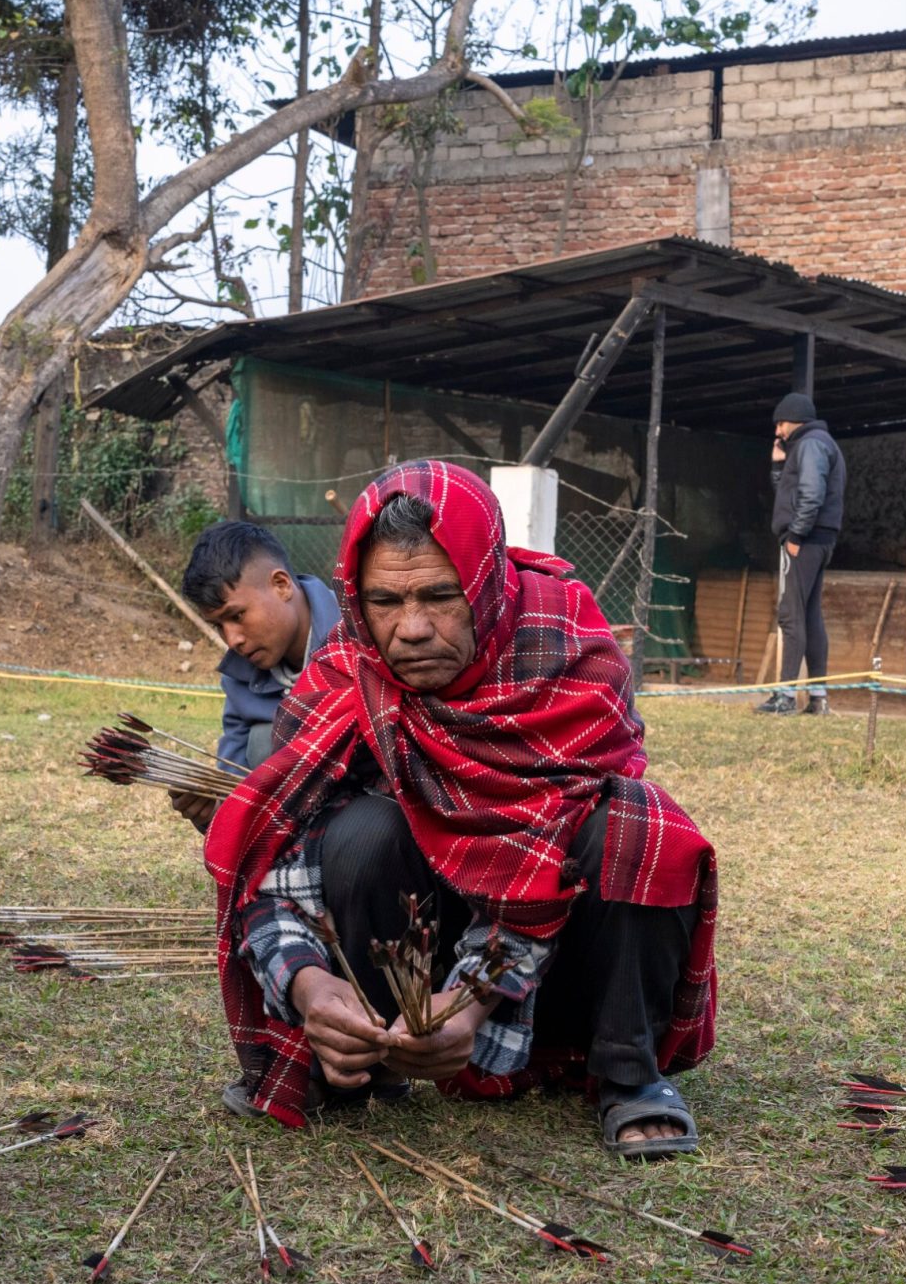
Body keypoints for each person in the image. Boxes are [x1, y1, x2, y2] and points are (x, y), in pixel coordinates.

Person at [205, 461, 719, 1157]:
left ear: (484, 580)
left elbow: (544, 850)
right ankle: (367, 1050)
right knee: (360, 830)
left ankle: (627, 1068)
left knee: (643, 825)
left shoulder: (566, 645)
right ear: (359, 597)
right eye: (386, 600)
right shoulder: (347, 665)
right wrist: (306, 981)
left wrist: (475, 1000)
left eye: (441, 596)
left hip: (552, 955)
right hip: (410, 960)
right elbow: (276, 856)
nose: (411, 629)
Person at [174, 519, 340, 828]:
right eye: (219, 626)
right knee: (261, 741)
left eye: (237, 615)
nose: (232, 639)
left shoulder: (362, 632)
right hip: (296, 829)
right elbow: (234, 780)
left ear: (281, 585)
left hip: (374, 819)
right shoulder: (239, 677)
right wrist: (215, 814)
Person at [757, 392, 845, 716]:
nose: (778, 430)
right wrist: (779, 466)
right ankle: (818, 698)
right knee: (809, 616)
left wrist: (795, 535)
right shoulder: (819, 444)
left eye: (780, 423)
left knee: (791, 615)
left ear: (794, 419)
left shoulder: (810, 445)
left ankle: (785, 697)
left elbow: (810, 492)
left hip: (805, 541)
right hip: (819, 540)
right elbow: (790, 492)